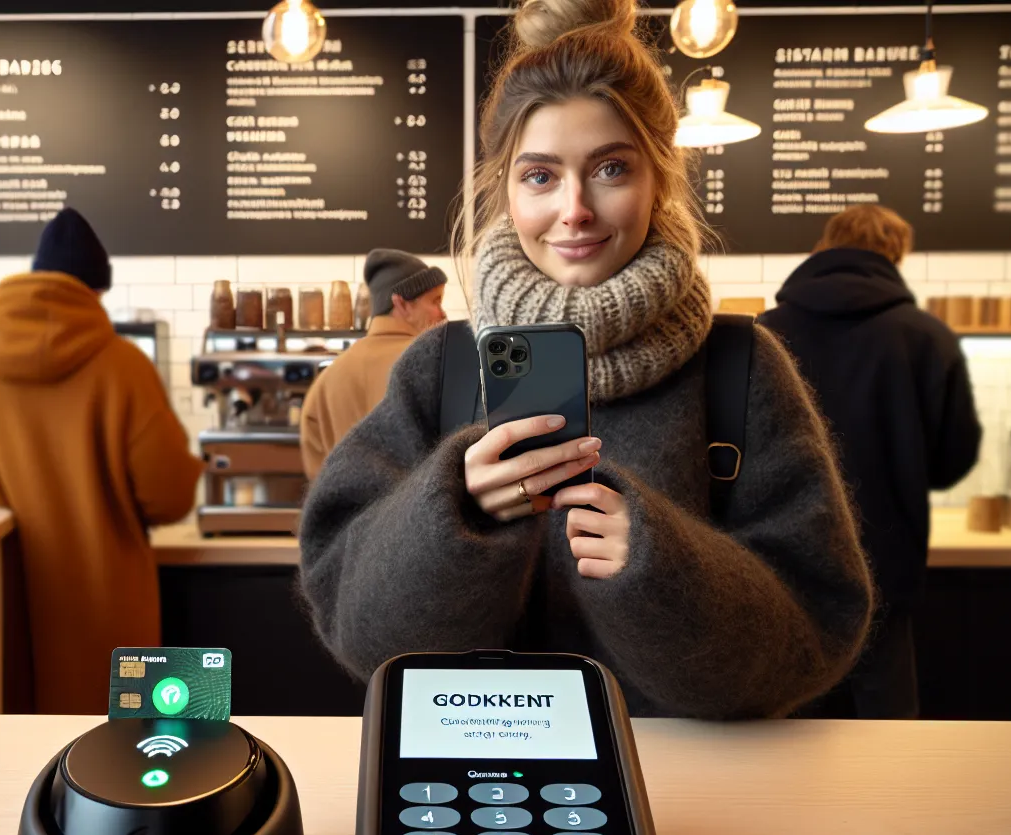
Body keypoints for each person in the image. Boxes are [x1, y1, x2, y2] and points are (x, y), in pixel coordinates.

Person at [298, 0, 874, 719]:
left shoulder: (741, 369)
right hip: (476, 797)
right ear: (506, 191)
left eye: (609, 168)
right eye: (540, 176)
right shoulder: (442, 368)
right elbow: (356, 629)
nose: (574, 209)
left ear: (658, 179)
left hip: (697, 800)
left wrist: (660, 564)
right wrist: (454, 513)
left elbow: (817, 635)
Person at [0, 208, 204, 714]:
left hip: (4, 614)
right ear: (95, 292)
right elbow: (169, 498)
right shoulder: (123, 365)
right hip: (108, 614)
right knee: (127, 760)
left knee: (10, 764)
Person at [759, 204, 982, 719]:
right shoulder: (926, 336)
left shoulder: (766, 333)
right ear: (894, 255)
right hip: (887, 564)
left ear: (825, 245)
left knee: (794, 724)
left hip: (788, 562)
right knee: (889, 727)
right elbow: (953, 459)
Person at [299, 249, 448, 478]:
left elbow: (316, 479)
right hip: (415, 513)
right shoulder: (435, 365)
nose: (442, 313)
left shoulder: (328, 378)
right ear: (402, 304)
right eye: (435, 301)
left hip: (347, 513)